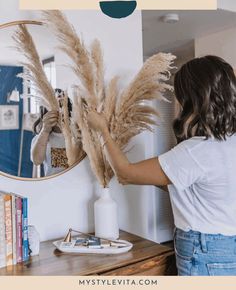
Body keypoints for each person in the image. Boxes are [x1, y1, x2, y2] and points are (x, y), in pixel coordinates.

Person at [87, 55, 236, 276]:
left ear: (191, 98)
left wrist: (103, 131)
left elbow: (126, 174)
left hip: (203, 250)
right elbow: (196, 189)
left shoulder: (195, 151)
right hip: (227, 247)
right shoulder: (228, 142)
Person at [31, 89, 72, 176]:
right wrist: (45, 130)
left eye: (61, 105)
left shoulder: (77, 135)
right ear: (45, 113)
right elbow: (37, 160)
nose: (58, 111)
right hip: (53, 186)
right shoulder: (42, 138)